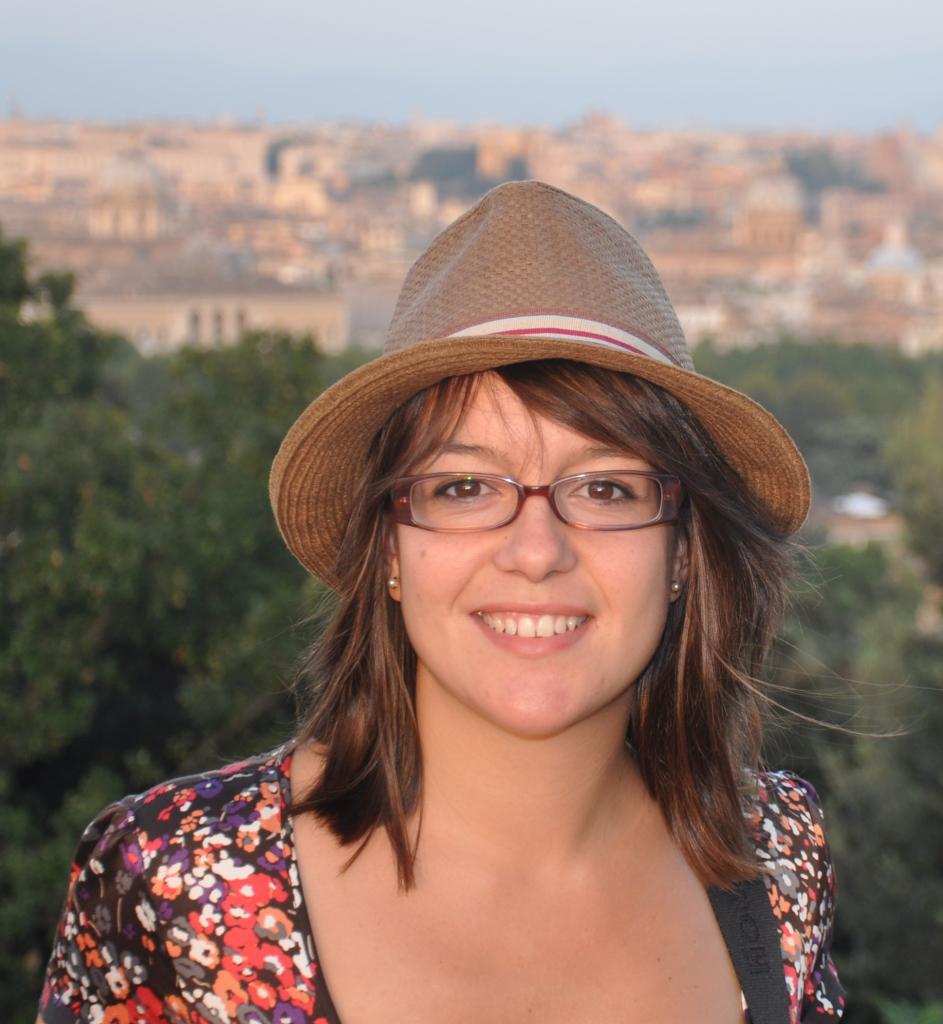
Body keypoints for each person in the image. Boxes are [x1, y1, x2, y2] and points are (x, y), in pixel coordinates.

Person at [38, 181, 844, 1024]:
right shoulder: (170, 886)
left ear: (681, 551)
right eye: (463, 486)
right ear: (388, 546)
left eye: (606, 488)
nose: (536, 551)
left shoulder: (776, 857)